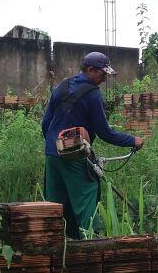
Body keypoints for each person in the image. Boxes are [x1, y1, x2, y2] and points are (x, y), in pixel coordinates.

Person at [41, 52, 144, 239]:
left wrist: (53, 147)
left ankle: (58, 246)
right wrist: (133, 141)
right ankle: (92, 247)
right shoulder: (92, 94)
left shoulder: (61, 87)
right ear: (90, 70)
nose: (104, 79)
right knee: (86, 199)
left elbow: (45, 124)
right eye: (102, 74)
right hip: (73, 156)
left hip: (52, 156)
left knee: (55, 208)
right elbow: (105, 132)